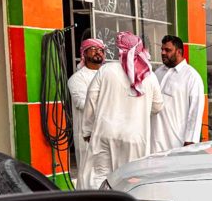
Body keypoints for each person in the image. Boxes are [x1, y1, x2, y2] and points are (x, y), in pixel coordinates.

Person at [80, 32, 164, 188]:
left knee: (100, 178)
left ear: (121, 50)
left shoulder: (106, 70)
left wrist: (87, 130)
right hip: (135, 137)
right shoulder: (149, 76)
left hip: (105, 133)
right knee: (130, 181)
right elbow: (158, 106)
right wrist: (140, 108)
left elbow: (91, 100)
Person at [151, 35, 204, 153]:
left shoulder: (191, 76)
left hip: (176, 140)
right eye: (162, 49)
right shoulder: (158, 72)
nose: (163, 53)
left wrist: (191, 140)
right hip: (154, 137)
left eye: (168, 50)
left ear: (179, 52)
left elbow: (195, 111)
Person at [68, 37, 105, 189]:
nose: (98, 53)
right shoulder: (77, 79)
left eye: (101, 50)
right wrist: (110, 105)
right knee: (87, 174)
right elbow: (82, 103)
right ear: (84, 53)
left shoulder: (107, 74)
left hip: (106, 133)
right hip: (87, 136)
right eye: (94, 49)